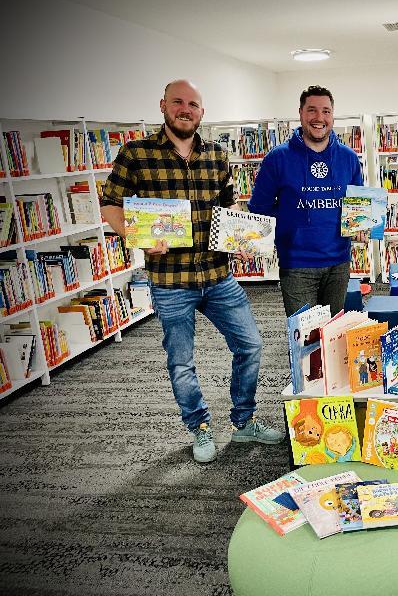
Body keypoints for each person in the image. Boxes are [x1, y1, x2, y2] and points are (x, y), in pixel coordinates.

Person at [100, 79, 283, 463]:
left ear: (202, 111)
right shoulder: (135, 154)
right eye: (179, 102)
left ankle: (243, 421)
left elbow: (230, 210)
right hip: (171, 281)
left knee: (250, 345)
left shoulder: (217, 155)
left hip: (218, 275)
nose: (186, 109)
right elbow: (109, 205)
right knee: (181, 361)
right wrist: (135, 235)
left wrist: (245, 237)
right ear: (163, 105)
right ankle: (199, 426)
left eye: (194, 104)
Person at [248, 85, 363, 317]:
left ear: (332, 115)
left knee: (333, 334)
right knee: (303, 338)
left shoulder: (349, 158)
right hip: (297, 264)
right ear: (300, 113)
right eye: (312, 110)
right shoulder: (277, 158)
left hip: (338, 262)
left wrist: (363, 227)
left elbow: (358, 204)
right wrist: (251, 243)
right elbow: (259, 209)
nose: (319, 118)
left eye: (326, 111)